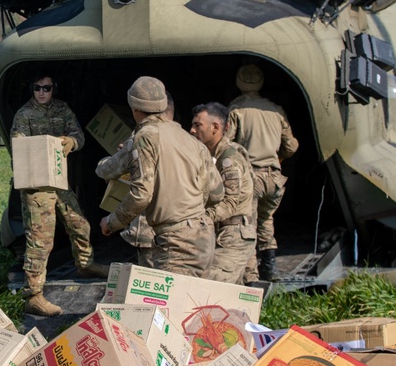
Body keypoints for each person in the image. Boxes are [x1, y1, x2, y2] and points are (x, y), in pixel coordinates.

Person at [100, 77, 223, 277]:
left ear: (134, 108)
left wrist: (112, 221)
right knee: (193, 303)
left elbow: (141, 194)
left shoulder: (146, 137)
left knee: (170, 306)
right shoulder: (191, 140)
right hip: (203, 236)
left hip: (175, 243)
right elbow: (217, 192)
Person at [12, 74, 108, 317]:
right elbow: (19, 147)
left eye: (47, 88)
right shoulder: (24, 115)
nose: (42, 92)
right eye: (37, 88)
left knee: (80, 224)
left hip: (57, 181)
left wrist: (71, 142)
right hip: (36, 186)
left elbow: (80, 136)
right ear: (32, 89)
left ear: (54, 89)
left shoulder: (62, 109)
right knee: (40, 240)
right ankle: (33, 295)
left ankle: (85, 265)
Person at [226, 64, 299, 282]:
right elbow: (292, 146)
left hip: (251, 177)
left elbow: (226, 144)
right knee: (266, 221)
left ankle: (251, 276)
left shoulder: (236, 110)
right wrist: (278, 159)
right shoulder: (276, 111)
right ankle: (270, 268)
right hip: (274, 178)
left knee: (246, 225)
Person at [95, 92, 174, 267]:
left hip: (150, 228)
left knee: (152, 285)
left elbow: (106, 170)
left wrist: (111, 222)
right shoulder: (189, 142)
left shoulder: (140, 139)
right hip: (183, 231)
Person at [190, 102, 256, 285]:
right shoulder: (214, 156)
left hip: (233, 235)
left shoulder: (228, 159)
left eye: (198, 125)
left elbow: (230, 202)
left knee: (212, 287)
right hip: (224, 233)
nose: (192, 130)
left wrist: (199, 219)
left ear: (215, 128)